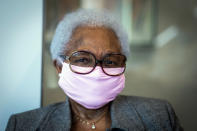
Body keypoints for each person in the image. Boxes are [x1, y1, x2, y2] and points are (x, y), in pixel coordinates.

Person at [6, 9, 183, 131]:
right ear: (59, 66)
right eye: (83, 59)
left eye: (111, 61)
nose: (97, 72)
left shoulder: (159, 117)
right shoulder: (24, 125)